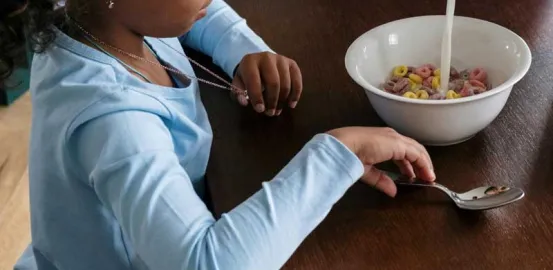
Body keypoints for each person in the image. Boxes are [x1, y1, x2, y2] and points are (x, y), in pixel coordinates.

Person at [0, 0, 436, 269]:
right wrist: (338, 152)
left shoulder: (94, 16)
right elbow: (210, 263)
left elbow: (190, 13)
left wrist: (242, 49)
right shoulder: (113, 121)